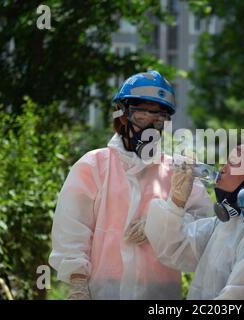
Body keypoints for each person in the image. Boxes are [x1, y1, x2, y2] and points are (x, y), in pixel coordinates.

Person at [48, 71, 212, 300]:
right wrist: (77, 282)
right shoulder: (93, 166)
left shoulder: (178, 173)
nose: (151, 127)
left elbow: (205, 230)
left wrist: (162, 224)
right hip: (102, 290)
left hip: (160, 295)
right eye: (142, 116)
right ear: (122, 116)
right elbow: (72, 228)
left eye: (159, 118)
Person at [144, 140, 244, 299]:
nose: (223, 168)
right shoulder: (221, 225)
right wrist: (177, 202)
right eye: (226, 161)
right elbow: (174, 247)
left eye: (234, 163)